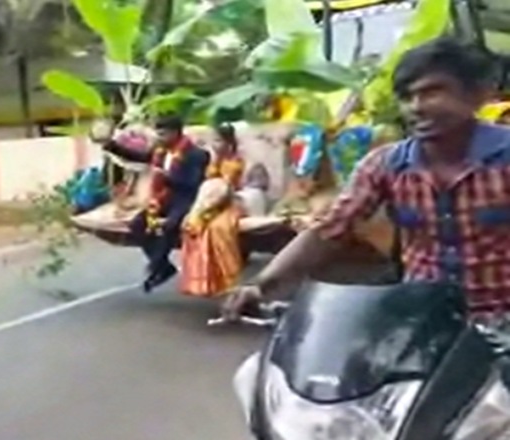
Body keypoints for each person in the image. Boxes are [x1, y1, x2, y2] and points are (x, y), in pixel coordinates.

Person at [223, 36, 510, 326]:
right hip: (423, 321)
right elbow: (327, 231)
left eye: (432, 92)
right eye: (407, 97)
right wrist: (260, 286)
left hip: (502, 323)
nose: (416, 106)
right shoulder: (386, 164)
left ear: (477, 94)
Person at [99, 115, 210, 293]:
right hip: (163, 199)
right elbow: (138, 157)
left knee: (169, 225)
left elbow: (193, 184)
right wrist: (111, 145)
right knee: (137, 225)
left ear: (176, 133)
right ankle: (163, 266)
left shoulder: (197, 154)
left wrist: (167, 177)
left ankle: (157, 265)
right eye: (158, 133)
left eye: (163, 134)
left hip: (187, 199)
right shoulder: (160, 151)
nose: (159, 138)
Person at [180, 124, 246, 301]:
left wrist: (207, 209)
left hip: (228, 203)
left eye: (218, 141)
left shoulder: (235, 161)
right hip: (208, 203)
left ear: (228, 143)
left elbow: (225, 189)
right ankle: (206, 283)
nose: (214, 145)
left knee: (219, 229)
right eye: (213, 141)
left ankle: (231, 282)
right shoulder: (215, 161)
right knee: (194, 226)